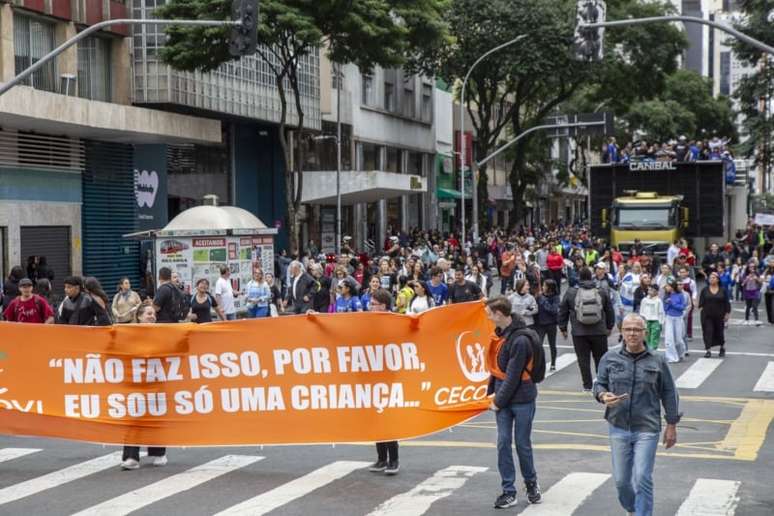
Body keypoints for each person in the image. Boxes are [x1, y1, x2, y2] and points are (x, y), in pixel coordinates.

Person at [593, 313, 680, 516]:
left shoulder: (657, 360)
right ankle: (632, 508)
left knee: (642, 477)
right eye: (628, 329)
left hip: (647, 428)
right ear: (621, 332)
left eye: (636, 330)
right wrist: (603, 395)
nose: (632, 334)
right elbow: (599, 383)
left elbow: (669, 392)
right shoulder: (609, 357)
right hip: (618, 426)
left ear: (645, 333)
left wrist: (672, 425)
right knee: (622, 482)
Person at [484, 296, 542, 509]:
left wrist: (497, 402)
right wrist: (491, 392)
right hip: (504, 397)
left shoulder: (520, 340)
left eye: (489, 313)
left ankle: (531, 483)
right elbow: (497, 370)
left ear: (499, 314)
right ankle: (509, 490)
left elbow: (513, 375)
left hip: (522, 399)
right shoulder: (500, 335)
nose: (487, 317)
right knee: (503, 443)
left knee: (522, 444)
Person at [121, 301, 168, 470]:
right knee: (134, 418)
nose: (152, 316)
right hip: (135, 383)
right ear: (139, 317)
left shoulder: (163, 332)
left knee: (155, 417)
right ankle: (131, 457)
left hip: (156, 381)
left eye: (153, 314)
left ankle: (159, 453)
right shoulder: (129, 334)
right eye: (148, 314)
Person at [558, 267, 616, 392]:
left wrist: (563, 327)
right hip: (599, 331)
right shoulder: (601, 291)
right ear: (591, 277)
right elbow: (609, 310)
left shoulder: (571, 292)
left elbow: (563, 311)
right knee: (601, 359)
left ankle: (587, 385)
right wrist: (610, 326)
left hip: (579, 332)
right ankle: (602, 383)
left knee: (583, 360)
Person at [368, 288, 400, 475]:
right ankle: (381, 458)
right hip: (372, 376)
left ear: (384, 305)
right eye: (371, 304)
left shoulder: (395, 321)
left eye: (374, 304)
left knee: (387, 417)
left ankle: (393, 459)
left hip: (389, 376)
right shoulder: (368, 322)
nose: (371, 307)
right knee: (376, 418)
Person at [698, 271, 731, 358]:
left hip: (719, 315)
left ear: (718, 280)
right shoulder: (704, 290)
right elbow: (701, 303)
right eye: (710, 278)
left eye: (713, 278)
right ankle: (708, 350)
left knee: (720, 332)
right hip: (707, 315)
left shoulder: (723, 290)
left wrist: (727, 313)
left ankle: (722, 347)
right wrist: (702, 311)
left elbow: (727, 302)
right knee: (708, 332)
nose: (711, 279)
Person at [534, 279, 560, 371]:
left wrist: (543, 300)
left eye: (544, 286)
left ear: (549, 288)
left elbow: (553, 310)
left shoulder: (555, 297)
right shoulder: (539, 297)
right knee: (538, 344)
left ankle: (553, 364)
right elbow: (534, 308)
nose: (542, 287)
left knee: (552, 345)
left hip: (551, 324)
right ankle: (539, 364)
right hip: (540, 325)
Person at [663, 280, 687, 363]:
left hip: (678, 318)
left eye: (668, 286)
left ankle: (680, 354)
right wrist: (667, 303)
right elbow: (665, 309)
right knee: (669, 339)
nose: (667, 287)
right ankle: (671, 357)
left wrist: (672, 303)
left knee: (678, 339)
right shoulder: (666, 296)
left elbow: (682, 307)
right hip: (669, 317)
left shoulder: (680, 295)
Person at [638, 285, 665, 351]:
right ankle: (647, 351)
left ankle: (653, 351)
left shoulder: (658, 301)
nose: (649, 292)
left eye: (652, 290)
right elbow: (642, 311)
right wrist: (642, 320)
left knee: (654, 337)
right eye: (649, 290)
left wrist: (661, 323)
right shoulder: (644, 300)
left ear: (656, 292)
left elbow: (661, 312)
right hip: (646, 321)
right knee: (646, 337)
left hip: (655, 321)